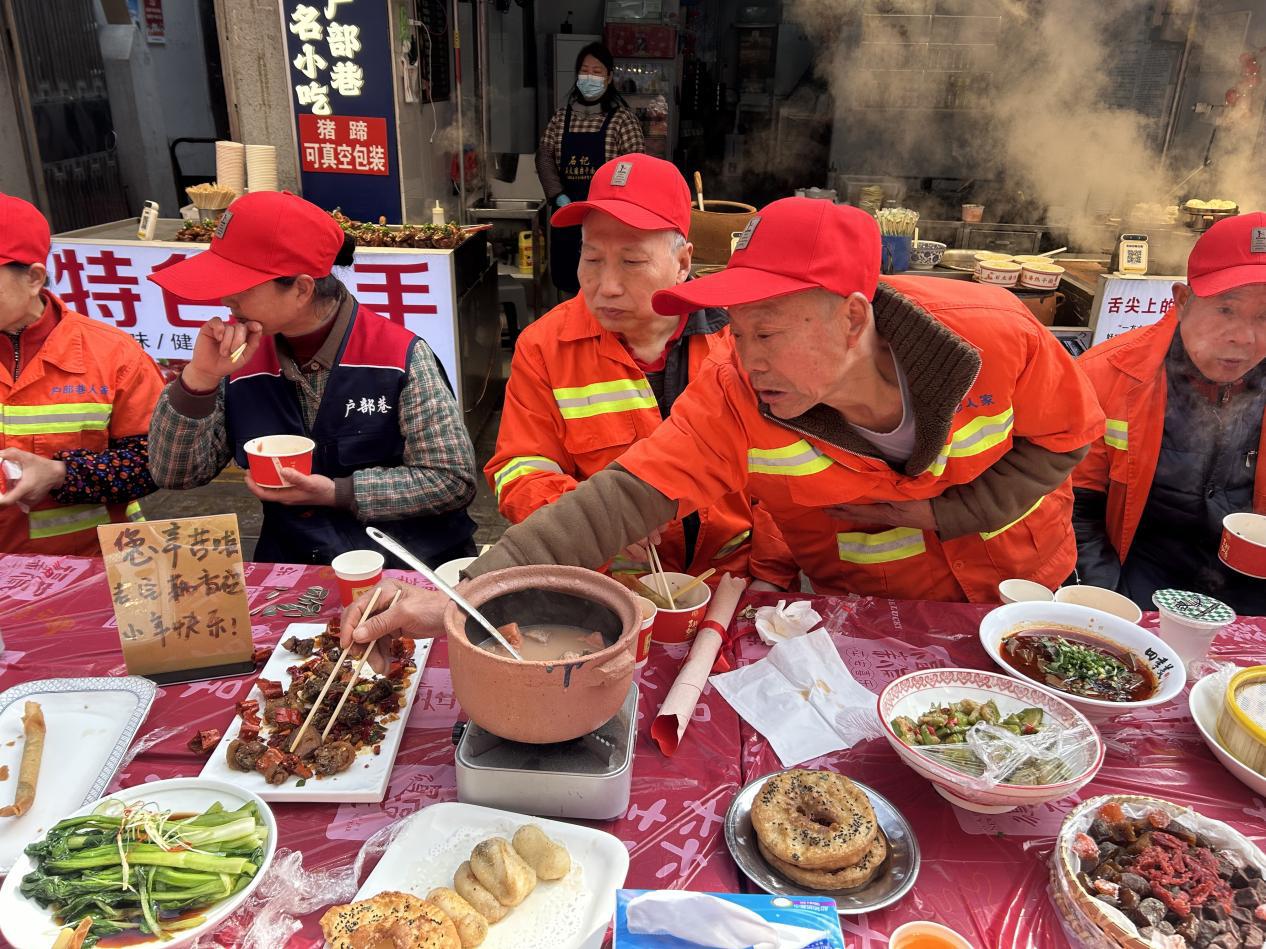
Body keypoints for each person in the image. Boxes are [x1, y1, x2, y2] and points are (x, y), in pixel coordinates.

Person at [340, 199, 1106, 645]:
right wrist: (465, 594)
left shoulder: (994, 335)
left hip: (1020, 586)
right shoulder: (735, 392)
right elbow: (617, 500)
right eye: (735, 330)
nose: (746, 355)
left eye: (765, 332)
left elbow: (1068, 438)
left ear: (851, 318)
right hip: (868, 605)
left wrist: (946, 513)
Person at [486, 154, 794, 587]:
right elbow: (518, 469)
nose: (607, 286)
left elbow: (786, 474)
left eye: (632, 262)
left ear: (683, 263)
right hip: (610, 586)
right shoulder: (545, 346)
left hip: (729, 581)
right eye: (592, 259)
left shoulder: (739, 340)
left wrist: (770, 577)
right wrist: (600, 521)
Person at [147, 191, 478, 568]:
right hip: (294, 568)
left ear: (302, 289)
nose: (226, 298)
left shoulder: (398, 356)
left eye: (241, 285)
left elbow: (451, 480)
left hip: (406, 569)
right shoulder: (237, 358)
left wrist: (338, 492)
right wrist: (200, 378)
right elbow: (175, 474)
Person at [1072, 211, 1266, 614]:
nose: (1244, 338)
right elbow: (1075, 507)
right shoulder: (1106, 375)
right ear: (1181, 301)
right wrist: (1109, 602)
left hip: (1251, 586)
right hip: (1138, 576)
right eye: (1226, 310)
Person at [0, 193, 163, 555]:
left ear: (34, 278)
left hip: (91, 567)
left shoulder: (114, 355)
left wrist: (60, 474)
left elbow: (155, 463)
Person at [536, 41, 644, 294]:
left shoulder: (622, 120)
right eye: (584, 71)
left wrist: (612, 202)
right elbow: (544, 157)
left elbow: (634, 165)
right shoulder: (561, 117)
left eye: (596, 72)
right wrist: (557, 195)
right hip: (566, 215)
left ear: (609, 78)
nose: (589, 77)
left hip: (607, 220)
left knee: (604, 285)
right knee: (568, 283)